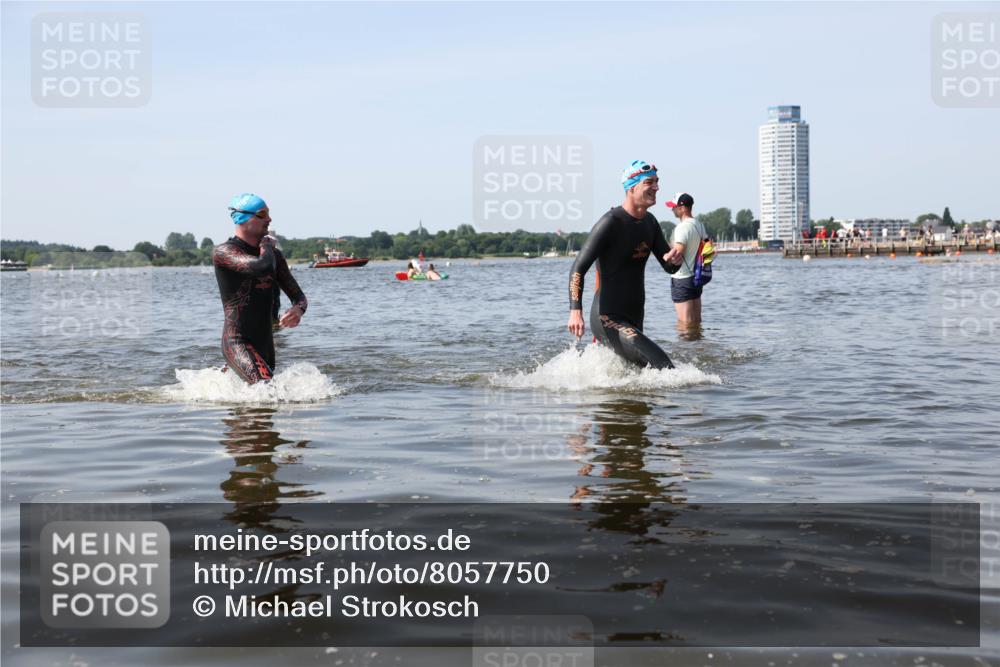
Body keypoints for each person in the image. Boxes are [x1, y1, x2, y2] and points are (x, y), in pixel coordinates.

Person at [566, 160, 676, 370]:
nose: (656, 187)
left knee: (636, 376)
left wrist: (674, 261)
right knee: (664, 368)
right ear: (632, 188)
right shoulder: (611, 222)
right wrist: (575, 310)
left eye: (657, 182)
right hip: (607, 317)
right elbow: (578, 268)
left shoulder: (650, 222)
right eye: (649, 182)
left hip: (635, 316)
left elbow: (669, 267)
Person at [213, 193, 307, 384]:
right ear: (242, 218)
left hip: (266, 344)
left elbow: (299, 296)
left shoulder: (275, 256)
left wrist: (298, 310)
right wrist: (266, 245)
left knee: (260, 403)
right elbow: (260, 267)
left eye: (268, 213)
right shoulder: (224, 252)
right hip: (237, 342)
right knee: (265, 391)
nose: (269, 219)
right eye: (262, 214)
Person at [663, 193, 709, 325]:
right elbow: (707, 246)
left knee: (685, 324)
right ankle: (698, 345)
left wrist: (666, 256)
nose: (672, 209)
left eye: (674, 207)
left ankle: (684, 346)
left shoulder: (682, 227)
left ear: (682, 208)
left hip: (682, 279)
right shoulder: (699, 225)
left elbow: (678, 252)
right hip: (696, 277)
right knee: (696, 322)